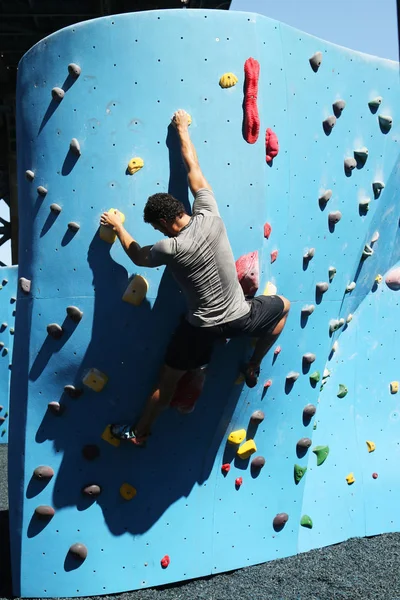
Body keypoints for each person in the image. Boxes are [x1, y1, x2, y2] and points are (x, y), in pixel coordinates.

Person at [100, 109, 290, 445]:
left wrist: (118, 227)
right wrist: (182, 128)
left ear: (159, 225)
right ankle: (253, 363)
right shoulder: (210, 214)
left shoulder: (167, 247)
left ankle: (139, 433)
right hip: (240, 319)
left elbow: (137, 256)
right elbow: (193, 169)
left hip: (200, 329)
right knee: (285, 307)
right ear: (180, 208)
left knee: (167, 381)